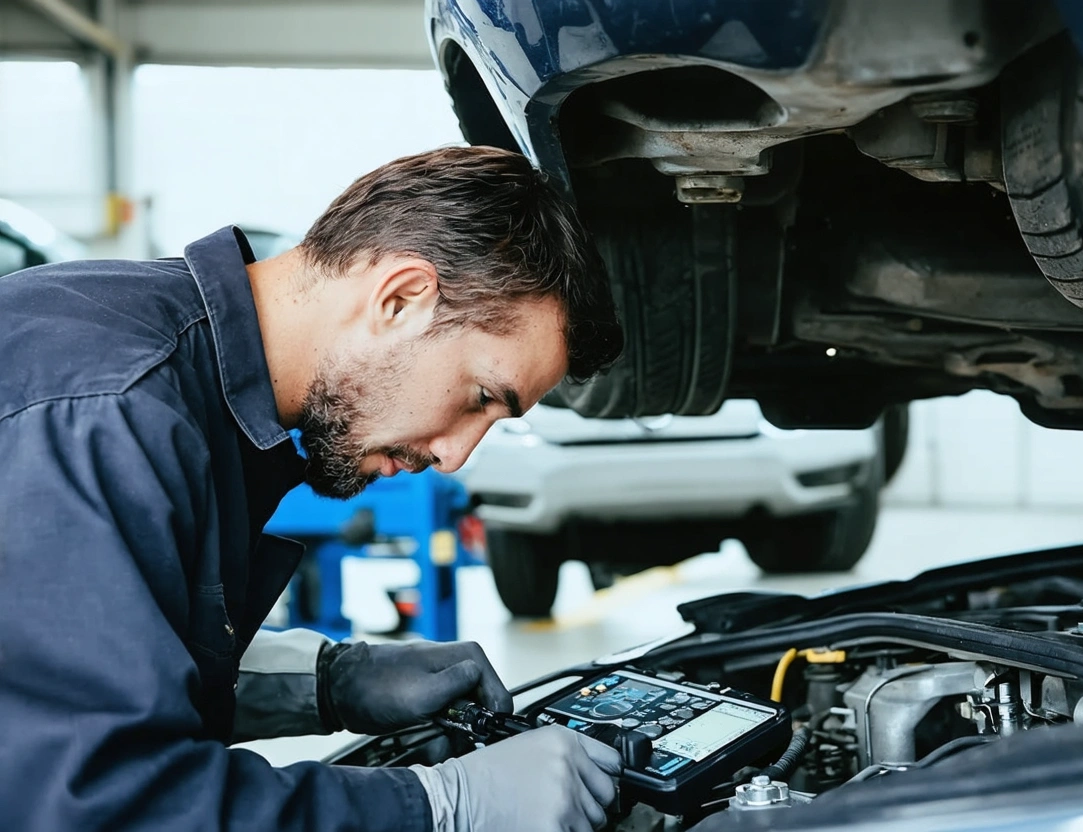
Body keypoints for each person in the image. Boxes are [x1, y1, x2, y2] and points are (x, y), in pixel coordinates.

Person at [0, 147, 625, 832]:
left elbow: (60, 673)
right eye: (481, 396)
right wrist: (439, 804)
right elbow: (105, 804)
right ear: (401, 298)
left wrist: (325, 681)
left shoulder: (170, 362)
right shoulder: (109, 410)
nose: (454, 456)